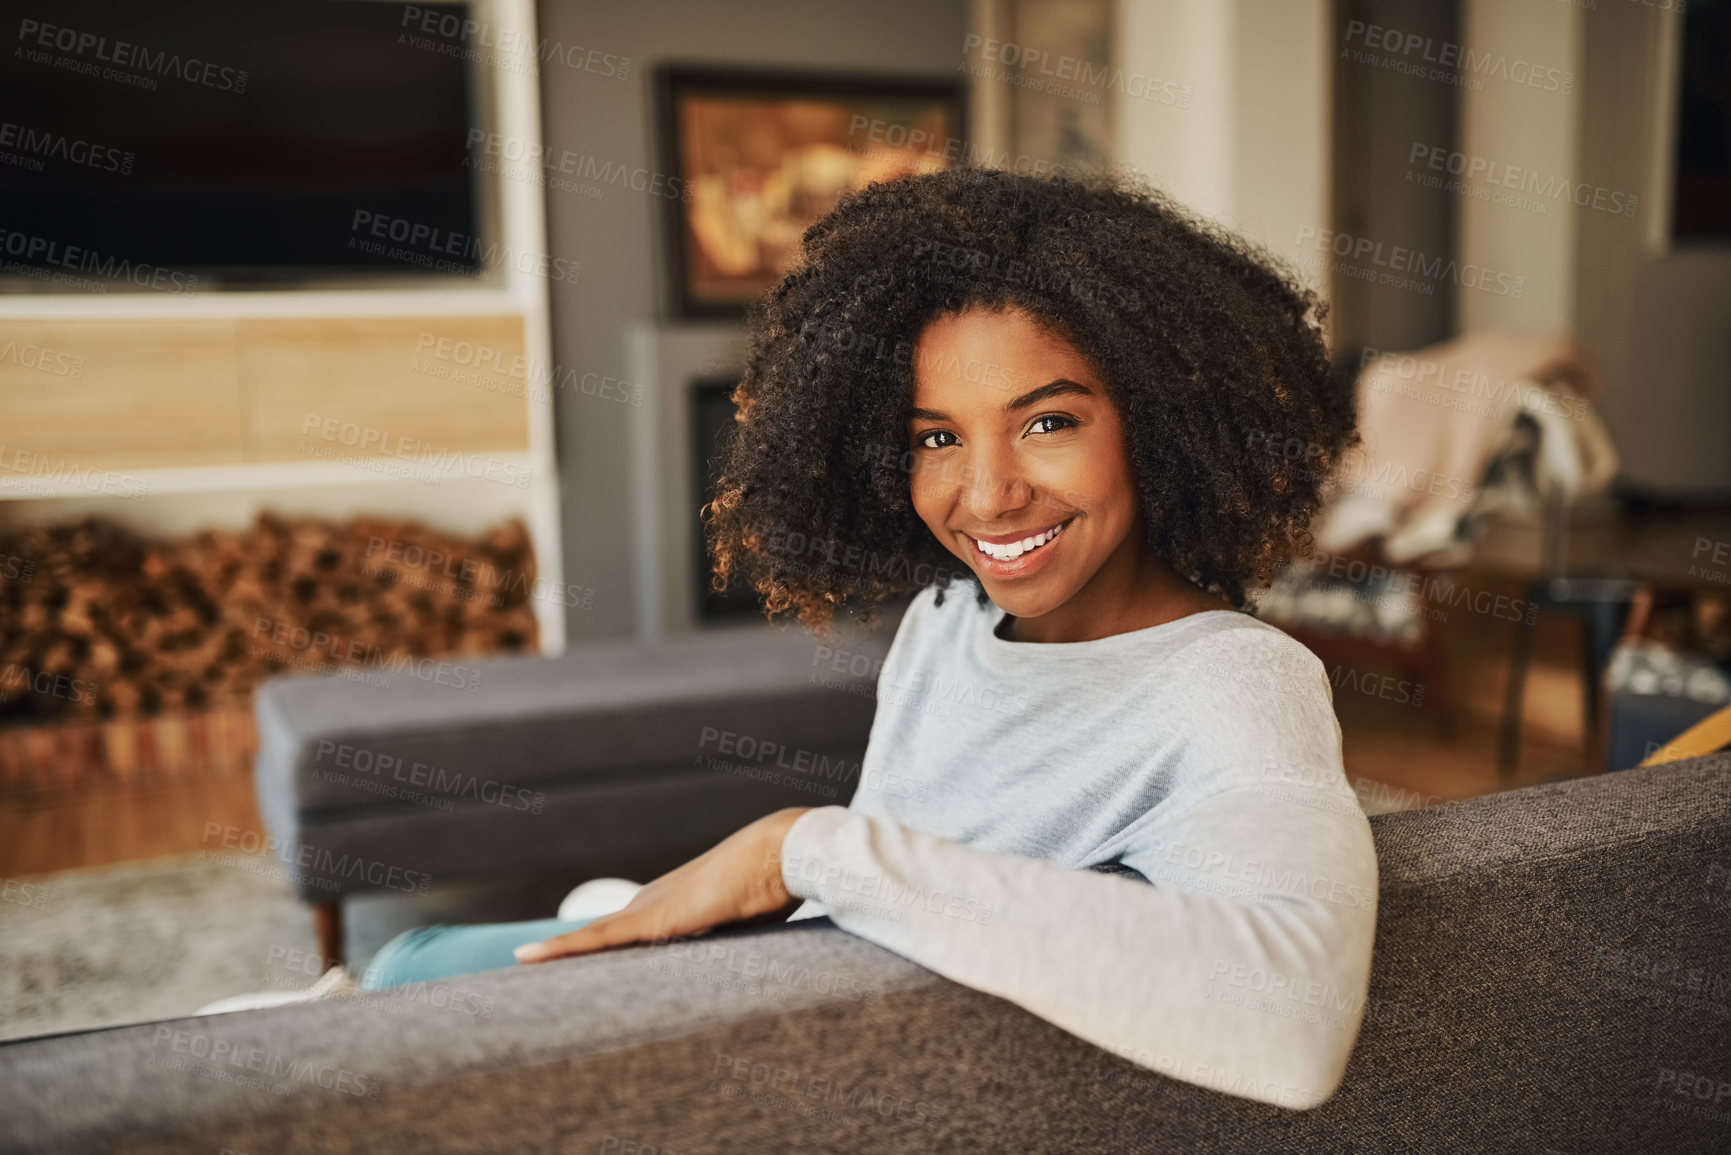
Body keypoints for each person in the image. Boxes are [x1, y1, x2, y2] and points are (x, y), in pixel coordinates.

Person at [360, 167, 1375, 1110]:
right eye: (937, 437)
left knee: (397, 991)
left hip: (810, 1061)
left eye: (1047, 422)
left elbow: (1293, 1028)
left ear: (1161, 422)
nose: (987, 494)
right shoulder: (945, 623)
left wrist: (801, 845)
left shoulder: (1235, 685)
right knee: (400, 971)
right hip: (793, 976)